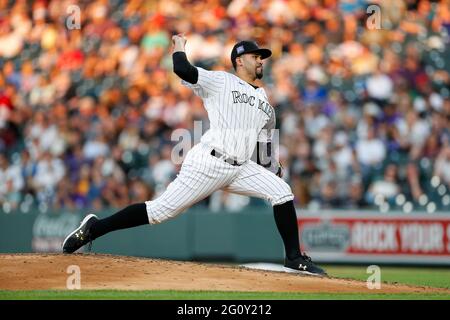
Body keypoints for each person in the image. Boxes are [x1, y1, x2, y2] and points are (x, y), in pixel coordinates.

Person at [62, 34, 327, 277]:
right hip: (209, 162)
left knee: (281, 190)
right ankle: (95, 228)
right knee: (159, 212)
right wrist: (179, 47)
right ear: (239, 60)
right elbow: (183, 70)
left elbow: (263, 138)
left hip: (241, 168)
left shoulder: (265, 99)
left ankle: (294, 258)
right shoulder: (222, 81)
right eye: (255, 56)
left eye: (262, 57)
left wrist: (273, 165)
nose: (260, 60)